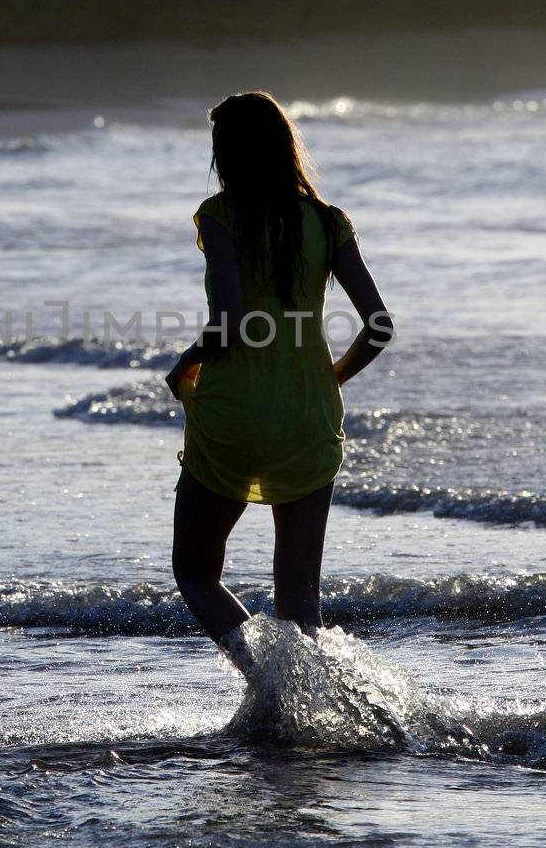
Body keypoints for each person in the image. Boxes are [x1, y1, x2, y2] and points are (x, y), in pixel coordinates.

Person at [166, 90, 393, 675]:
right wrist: (329, 379)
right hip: (307, 416)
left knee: (195, 572)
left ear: (227, 153)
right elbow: (379, 325)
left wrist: (185, 360)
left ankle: (268, 681)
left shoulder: (221, 216)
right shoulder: (327, 220)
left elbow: (233, 321)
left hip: (233, 415)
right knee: (299, 600)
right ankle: (304, 693)